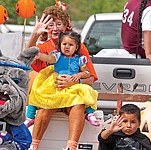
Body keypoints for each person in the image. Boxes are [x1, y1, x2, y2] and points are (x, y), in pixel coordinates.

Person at [26, 5, 98, 150]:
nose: (55, 28)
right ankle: (33, 146)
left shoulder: (79, 48)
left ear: (66, 26)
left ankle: (71, 147)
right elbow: (26, 58)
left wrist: (75, 80)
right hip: (50, 96)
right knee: (44, 107)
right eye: (50, 24)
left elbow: (90, 78)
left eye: (58, 24)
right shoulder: (43, 47)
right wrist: (34, 35)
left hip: (70, 95)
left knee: (79, 106)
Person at [29, 31, 98, 123]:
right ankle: (30, 116)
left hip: (72, 83)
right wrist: (39, 55)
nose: (67, 46)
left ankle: (90, 113)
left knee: (86, 90)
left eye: (70, 45)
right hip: (57, 83)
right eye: (64, 44)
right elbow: (49, 58)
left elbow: (87, 72)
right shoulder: (57, 56)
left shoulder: (79, 59)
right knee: (38, 92)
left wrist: (79, 75)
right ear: (60, 45)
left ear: (76, 47)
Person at [121, 0, 151, 64]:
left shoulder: (131, 2)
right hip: (140, 46)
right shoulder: (149, 9)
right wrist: (148, 54)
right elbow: (147, 31)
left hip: (128, 46)